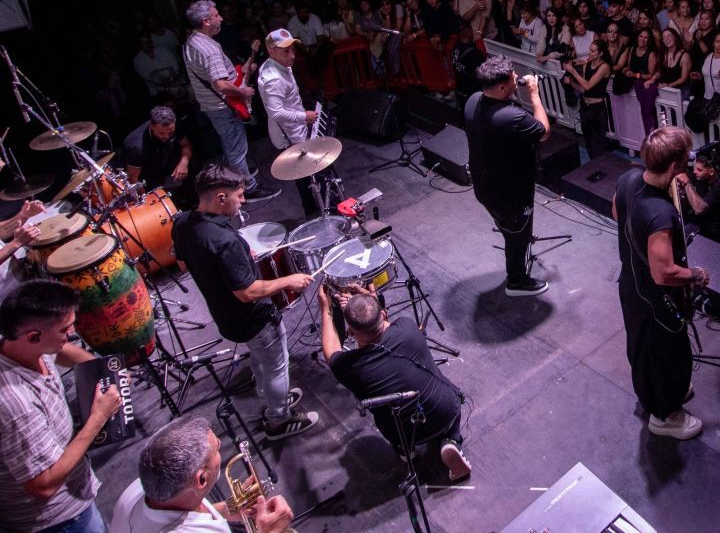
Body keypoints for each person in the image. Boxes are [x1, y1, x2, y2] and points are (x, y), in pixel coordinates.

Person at [172, 165, 318, 440]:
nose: (243, 201)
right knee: (277, 364)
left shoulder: (182, 223)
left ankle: (271, 398)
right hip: (254, 319)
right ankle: (279, 419)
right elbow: (248, 292)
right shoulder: (225, 241)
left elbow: (182, 264)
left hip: (224, 315)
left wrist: (223, 265)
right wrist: (288, 280)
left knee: (261, 360)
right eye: (239, 196)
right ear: (221, 197)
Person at [0, 280, 122, 533]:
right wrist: (98, 418)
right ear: (33, 337)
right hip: (60, 519)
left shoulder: (23, 347)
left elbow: (61, 350)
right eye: (65, 330)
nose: (72, 334)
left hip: (74, 494)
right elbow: (42, 484)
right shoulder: (16, 404)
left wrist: (104, 372)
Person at [612, 126, 710, 439]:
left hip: (631, 286)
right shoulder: (659, 215)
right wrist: (696, 274)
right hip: (657, 300)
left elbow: (617, 211)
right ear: (674, 166)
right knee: (666, 353)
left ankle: (659, 395)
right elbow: (664, 272)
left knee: (643, 350)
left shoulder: (629, 179)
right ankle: (665, 416)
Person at [317, 287, 470, 481]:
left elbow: (331, 351)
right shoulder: (407, 327)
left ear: (350, 332)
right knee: (443, 407)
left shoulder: (349, 367)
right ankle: (451, 439)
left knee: (392, 420)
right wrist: (367, 298)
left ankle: (407, 451)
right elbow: (382, 321)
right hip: (445, 410)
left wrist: (326, 309)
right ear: (383, 313)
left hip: (402, 431)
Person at [110, 414, 295, 533]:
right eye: (217, 449)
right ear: (201, 479)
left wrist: (231, 508)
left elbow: (188, 509)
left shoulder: (141, 486)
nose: (221, 446)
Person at [463, 55, 551, 297]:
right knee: (517, 237)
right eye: (512, 75)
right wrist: (534, 95)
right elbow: (543, 132)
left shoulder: (473, 100)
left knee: (509, 228)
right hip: (509, 193)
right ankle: (517, 281)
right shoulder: (511, 117)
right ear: (501, 87)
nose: (516, 77)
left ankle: (512, 234)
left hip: (484, 185)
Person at [182, 0, 278, 202]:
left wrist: (242, 72)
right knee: (236, 149)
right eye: (217, 15)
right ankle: (248, 189)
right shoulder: (208, 49)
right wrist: (243, 93)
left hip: (212, 106)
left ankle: (234, 177)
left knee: (231, 146)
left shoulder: (191, 42)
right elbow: (221, 85)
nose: (221, 18)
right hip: (222, 106)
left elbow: (220, 76)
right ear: (206, 21)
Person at [257, 28, 329, 218]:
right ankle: (315, 214)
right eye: (286, 51)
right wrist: (304, 116)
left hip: (297, 127)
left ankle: (320, 208)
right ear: (271, 51)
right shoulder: (273, 79)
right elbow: (277, 113)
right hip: (291, 134)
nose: (292, 55)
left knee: (311, 174)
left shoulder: (278, 65)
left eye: (292, 50)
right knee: (306, 180)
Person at [676, 151, 720, 247]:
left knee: (681, 238)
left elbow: (699, 209)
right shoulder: (700, 176)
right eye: (695, 167)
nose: (694, 171)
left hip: (717, 227)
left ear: (711, 171)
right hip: (705, 216)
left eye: (699, 169)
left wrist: (687, 183)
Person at [122, 105, 193, 193]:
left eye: (170, 133)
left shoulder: (172, 127)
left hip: (165, 166)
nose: (167, 136)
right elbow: (133, 178)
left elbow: (186, 144)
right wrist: (146, 198)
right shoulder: (137, 146)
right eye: (162, 133)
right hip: (145, 178)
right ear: (152, 126)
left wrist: (184, 162)